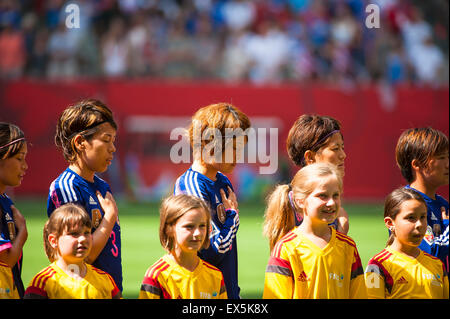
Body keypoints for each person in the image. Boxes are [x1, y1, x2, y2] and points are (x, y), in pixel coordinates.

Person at [173, 102, 251, 299]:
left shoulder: (222, 180)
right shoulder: (191, 185)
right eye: (234, 147)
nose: (238, 155)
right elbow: (212, 249)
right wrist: (232, 217)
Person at [47, 99, 122, 292]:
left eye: (113, 141)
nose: (112, 148)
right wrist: (110, 217)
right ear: (80, 142)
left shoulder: (102, 186)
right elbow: (82, 255)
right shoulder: (66, 187)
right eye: (106, 140)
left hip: (108, 290)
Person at [262, 163, 367, 299]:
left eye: (336, 195)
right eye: (322, 196)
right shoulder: (286, 249)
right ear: (300, 201)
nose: (331, 203)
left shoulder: (348, 247)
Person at [264, 114, 348, 252]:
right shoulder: (288, 206)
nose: (343, 155)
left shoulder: (339, 215)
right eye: (335, 148)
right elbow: (280, 262)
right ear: (310, 157)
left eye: (342, 147)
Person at [365, 187, 449, 299]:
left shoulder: (437, 265)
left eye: (423, 217)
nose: (419, 224)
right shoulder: (378, 265)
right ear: (390, 223)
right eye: (411, 218)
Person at [23, 203, 120, 299]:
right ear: (53, 241)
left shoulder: (105, 280)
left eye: (86, 233)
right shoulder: (43, 283)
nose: (83, 239)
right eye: (74, 234)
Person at [139, 194, 227, 299]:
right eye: (189, 226)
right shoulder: (157, 275)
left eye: (202, 226)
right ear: (169, 229)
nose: (197, 233)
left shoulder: (215, 276)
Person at [395, 127, 449, 271]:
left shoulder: (443, 204)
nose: (448, 164)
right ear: (417, 164)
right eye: (441, 158)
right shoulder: (406, 204)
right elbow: (429, 252)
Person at [0, 122, 28, 298]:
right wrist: (22, 233)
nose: (25, 166)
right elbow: (7, 260)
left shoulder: (5, 200)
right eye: (19, 158)